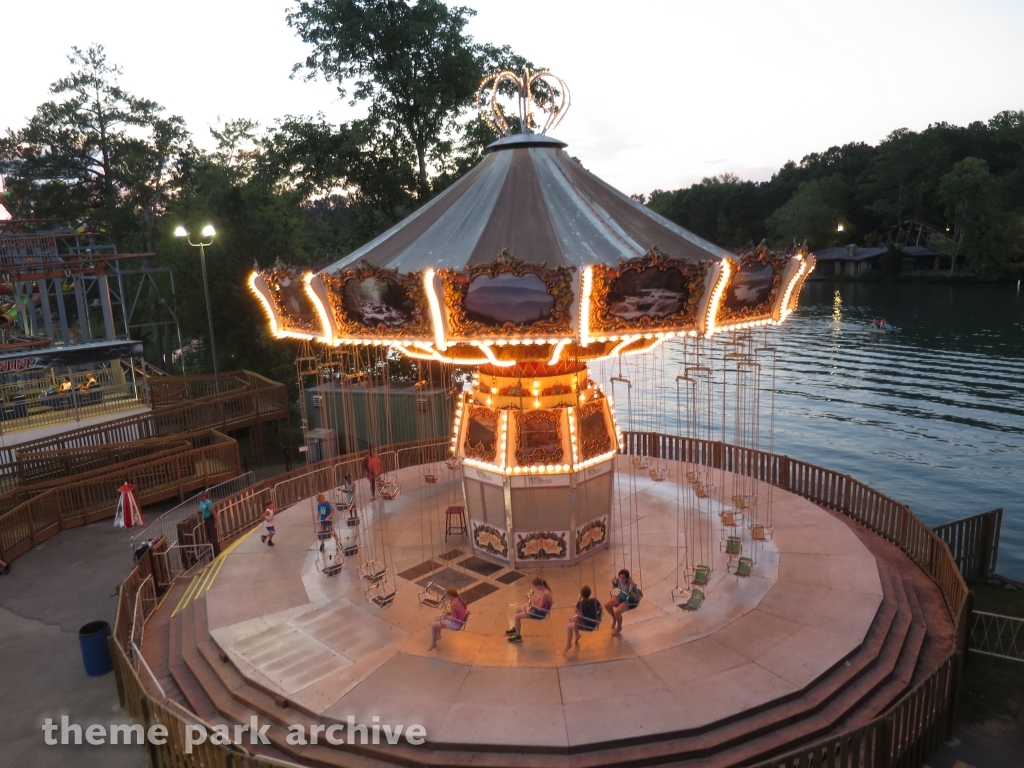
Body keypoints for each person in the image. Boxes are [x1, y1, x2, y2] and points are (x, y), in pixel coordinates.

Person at [507, 577, 553, 643]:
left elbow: (540, 608)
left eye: (536, 587)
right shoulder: (546, 590)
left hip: (539, 613)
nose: (536, 588)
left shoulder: (544, 594)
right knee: (518, 609)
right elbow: (541, 603)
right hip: (538, 609)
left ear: (539, 585)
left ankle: (518, 636)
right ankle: (516, 628)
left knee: (516, 617)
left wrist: (531, 600)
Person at [604, 568, 642, 636]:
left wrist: (630, 592)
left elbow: (638, 598)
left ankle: (619, 628)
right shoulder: (619, 581)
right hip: (621, 597)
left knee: (617, 611)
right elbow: (616, 586)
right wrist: (612, 582)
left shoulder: (631, 585)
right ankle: (614, 619)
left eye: (623, 578)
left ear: (627, 578)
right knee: (607, 605)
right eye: (620, 577)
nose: (621, 579)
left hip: (630, 601)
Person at [564, 585, 602, 652]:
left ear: (582, 594)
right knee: (570, 618)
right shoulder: (594, 600)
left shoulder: (580, 603)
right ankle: (577, 634)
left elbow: (575, 610)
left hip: (587, 624)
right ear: (590, 593)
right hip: (594, 621)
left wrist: (579, 598)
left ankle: (568, 644)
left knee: (568, 627)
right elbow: (601, 608)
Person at [199, 491, 220, 556]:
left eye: (200, 496)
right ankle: (215, 550)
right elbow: (203, 511)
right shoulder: (201, 503)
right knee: (209, 536)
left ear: (204, 496)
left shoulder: (208, 502)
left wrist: (216, 522)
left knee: (213, 537)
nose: (199, 497)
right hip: (206, 520)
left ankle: (216, 552)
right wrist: (199, 513)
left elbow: (213, 512)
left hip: (210, 519)